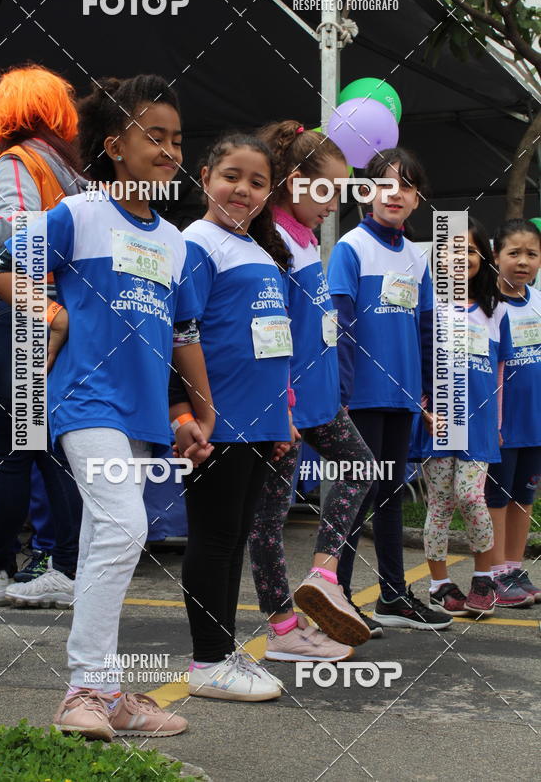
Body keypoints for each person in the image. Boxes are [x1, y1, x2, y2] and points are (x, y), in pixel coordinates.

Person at [0, 73, 213, 740]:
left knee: (109, 535)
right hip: (84, 400)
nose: (170, 150)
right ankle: (83, 691)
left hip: (140, 414)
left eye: (176, 139)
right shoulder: (79, 216)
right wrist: (50, 313)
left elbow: (185, 333)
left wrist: (199, 410)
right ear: (114, 145)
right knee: (123, 529)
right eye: (154, 136)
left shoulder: (176, 243)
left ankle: (107, 694)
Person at [0, 65, 83, 608]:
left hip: (16, 311)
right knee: (44, 447)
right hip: (52, 314)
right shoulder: (67, 170)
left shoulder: (16, 162)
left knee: (7, 449)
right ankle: (63, 564)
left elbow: (18, 241)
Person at [171, 131, 294, 702]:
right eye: (232, 177)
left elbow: (269, 341)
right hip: (218, 421)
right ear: (205, 177)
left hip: (258, 420)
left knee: (237, 533)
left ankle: (222, 650)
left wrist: (281, 415)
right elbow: (177, 333)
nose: (243, 190)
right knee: (215, 537)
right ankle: (208, 659)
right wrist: (188, 412)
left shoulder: (258, 249)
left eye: (257, 182)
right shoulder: (196, 242)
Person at [247, 121, 373, 661]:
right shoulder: (270, 241)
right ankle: (283, 633)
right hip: (288, 405)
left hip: (320, 399)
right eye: (325, 191)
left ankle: (323, 575)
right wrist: (285, 408)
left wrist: (333, 391)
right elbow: (270, 335)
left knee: (361, 465)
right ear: (295, 181)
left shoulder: (303, 238)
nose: (332, 205)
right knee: (267, 522)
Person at [329, 147, 451, 631]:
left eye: (407, 185)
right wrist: (338, 396)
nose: (395, 192)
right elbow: (338, 324)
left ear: (418, 200)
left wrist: (424, 395)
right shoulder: (351, 247)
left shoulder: (417, 259)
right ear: (366, 191)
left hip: (402, 399)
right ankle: (333, 597)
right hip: (360, 398)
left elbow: (425, 332)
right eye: (385, 182)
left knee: (390, 498)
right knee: (350, 500)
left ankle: (394, 597)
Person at [419, 217, 513, 617]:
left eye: (470, 250)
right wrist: (422, 409)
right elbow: (418, 361)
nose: (461, 257)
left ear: (483, 258)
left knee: (472, 497)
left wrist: (498, 425)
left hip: (479, 427)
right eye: (451, 249)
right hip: (438, 423)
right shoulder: (430, 307)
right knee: (439, 503)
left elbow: (500, 374)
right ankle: (440, 586)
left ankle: (483, 579)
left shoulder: (496, 312)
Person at [485, 218, 541, 606]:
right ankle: (494, 574)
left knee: (525, 496)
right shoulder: (487, 304)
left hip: (535, 422)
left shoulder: (538, 301)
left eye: (532, 254)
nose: (523, 261)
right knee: (495, 499)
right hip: (500, 426)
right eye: (514, 253)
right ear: (496, 256)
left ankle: (514, 567)